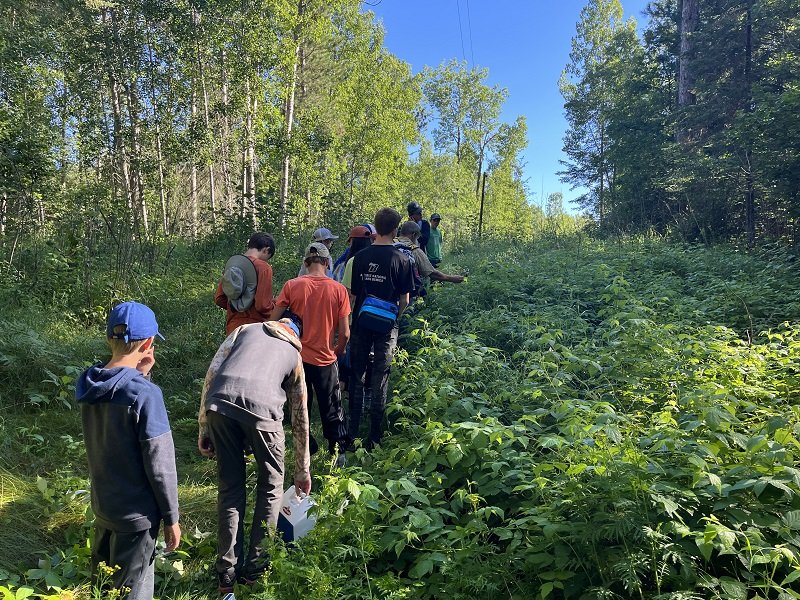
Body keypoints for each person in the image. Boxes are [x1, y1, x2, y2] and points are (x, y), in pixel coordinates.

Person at [198, 318, 311, 594]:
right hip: (264, 412)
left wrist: (203, 424)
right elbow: (300, 417)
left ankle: (226, 575)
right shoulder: (295, 356)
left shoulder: (244, 330)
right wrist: (302, 470)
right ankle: (256, 571)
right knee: (271, 487)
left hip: (220, 403)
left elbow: (212, 373)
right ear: (295, 335)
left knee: (230, 487)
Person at [77, 301, 181, 600]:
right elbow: (160, 465)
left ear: (110, 339)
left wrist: (142, 376)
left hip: (105, 507)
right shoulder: (145, 395)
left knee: (104, 590)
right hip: (137, 518)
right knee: (132, 593)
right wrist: (172, 518)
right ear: (149, 343)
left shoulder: (89, 384)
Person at [271, 242, 351, 465]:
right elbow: (345, 332)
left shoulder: (291, 286)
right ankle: (338, 452)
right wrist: (338, 351)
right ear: (327, 263)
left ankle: (307, 447)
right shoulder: (338, 290)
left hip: (295, 359)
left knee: (298, 406)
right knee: (331, 406)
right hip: (326, 360)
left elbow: (273, 321)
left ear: (306, 263)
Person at [348, 207, 414, 448]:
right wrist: (394, 319)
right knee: (381, 376)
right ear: (396, 229)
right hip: (387, 326)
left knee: (357, 374)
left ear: (376, 228)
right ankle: (374, 436)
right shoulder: (403, 259)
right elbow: (404, 300)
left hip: (361, 323)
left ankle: (352, 431)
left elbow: (353, 296)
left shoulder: (360, 258)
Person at [215, 232, 276, 335]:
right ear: (266, 250)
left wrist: (237, 308)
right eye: (268, 257)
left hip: (233, 327)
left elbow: (219, 299)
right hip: (256, 328)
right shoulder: (263, 267)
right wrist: (275, 305)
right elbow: (262, 305)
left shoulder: (233, 265)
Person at [396, 221, 464, 293]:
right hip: (406, 293)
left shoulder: (391, 243)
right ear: (413, 235)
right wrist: (452, 278)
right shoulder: (414, 250)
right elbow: (431, 273)